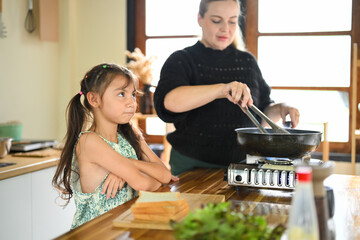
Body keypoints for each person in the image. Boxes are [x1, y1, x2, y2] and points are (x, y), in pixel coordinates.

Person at [154, 0, 300, 176]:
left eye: (232, 21)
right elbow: (170, 102)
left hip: (244, 165)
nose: (226, 28)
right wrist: (221, 90)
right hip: (192, 165)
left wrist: (281, 108)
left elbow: (260, 113)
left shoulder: (247, 62)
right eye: (217, 20)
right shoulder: (182, 60)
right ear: (200, 19)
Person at [52, 63, 173, 229]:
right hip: (95, 233)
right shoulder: (89, 141)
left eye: (133, 95)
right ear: (94, 99)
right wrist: (134, 172)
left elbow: (165, 176)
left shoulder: (130, 134)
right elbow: (143, 184)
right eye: (122, 94)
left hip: (123, 229)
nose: (132, 103)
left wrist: (128, 165)